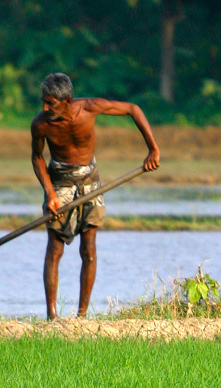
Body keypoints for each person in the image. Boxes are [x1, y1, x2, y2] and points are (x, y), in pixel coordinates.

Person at [31, 73, 159, 319]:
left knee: (88, 249)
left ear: (67, 100)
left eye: (51, 103)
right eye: (43, 102)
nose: (45, 108)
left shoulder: (89, 108)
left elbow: (133, 109)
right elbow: (37, 157)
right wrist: (49, 194)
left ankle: (82, 316)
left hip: (90, 181)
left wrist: (152, 148)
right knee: (55, 250)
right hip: (60, 181)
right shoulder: (41, 124)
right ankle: (52, 316)